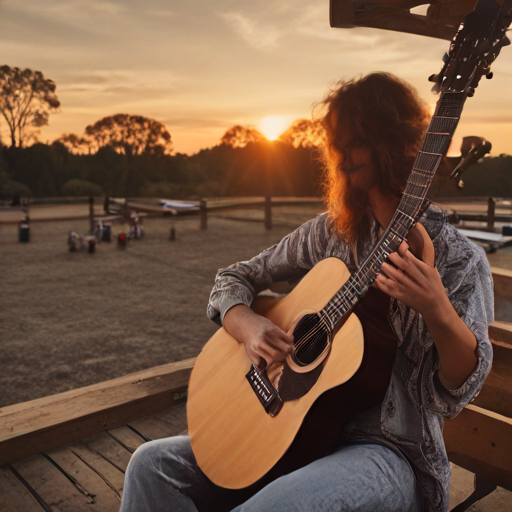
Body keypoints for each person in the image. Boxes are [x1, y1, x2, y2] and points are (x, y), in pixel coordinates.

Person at [119, 72, 493, 512]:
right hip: (291, 433)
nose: (343, 154)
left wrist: (436, 308)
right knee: (149, 465)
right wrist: (251, 326)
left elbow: (452, 393)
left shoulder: (458, 259)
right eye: (338, 142)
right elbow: (232, 279)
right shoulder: (331, 234)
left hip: (389, 453)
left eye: (357, 140)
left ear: (393, 142)